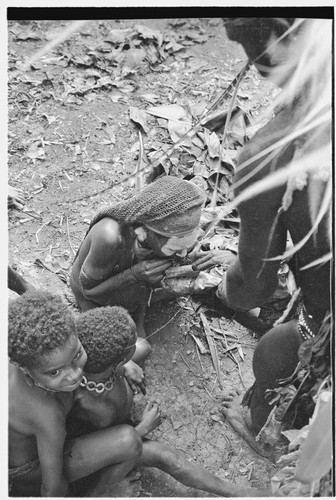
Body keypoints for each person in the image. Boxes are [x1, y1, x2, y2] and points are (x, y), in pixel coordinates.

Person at [217, 17, 332, 451]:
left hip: (327, 326)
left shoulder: (272, 154)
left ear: (279, 33)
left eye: (242, 38)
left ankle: (261, 430)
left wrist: (229, 277)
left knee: (273, 352)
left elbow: (252, 291)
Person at [68, 305, 270, 497]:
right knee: (168, 458)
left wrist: (126, 365)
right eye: (130, 345)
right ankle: (235, 493)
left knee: (144, 347)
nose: (135, 342)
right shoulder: (88, 404)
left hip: (116, 402)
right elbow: (101, 449)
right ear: (117, 361)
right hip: (105, 452)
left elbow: (138, 348)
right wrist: (142, 429)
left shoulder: (98, 368)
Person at [8, 290, 144, 497]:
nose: (74, 374)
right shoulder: (46, 415)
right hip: (30, 471)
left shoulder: (45, 346)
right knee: (129, 441)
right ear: (25, 369)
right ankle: (94, 494)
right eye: (55, 372)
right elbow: (52, 486)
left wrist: (124, 365)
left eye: (77, 355)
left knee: (141, 351)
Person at [70, 176, 207, 339]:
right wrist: (133, 274)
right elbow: (89, 291)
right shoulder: (110, 237)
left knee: (139, 336)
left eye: (186, 248)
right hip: (93, 296)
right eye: (175, 249)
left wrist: (189, 258)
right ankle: (136, 313)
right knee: (135, 347)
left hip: (132, 291)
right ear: (143, 232)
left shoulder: (156, 235)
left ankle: (138, 311)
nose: (182, 253)